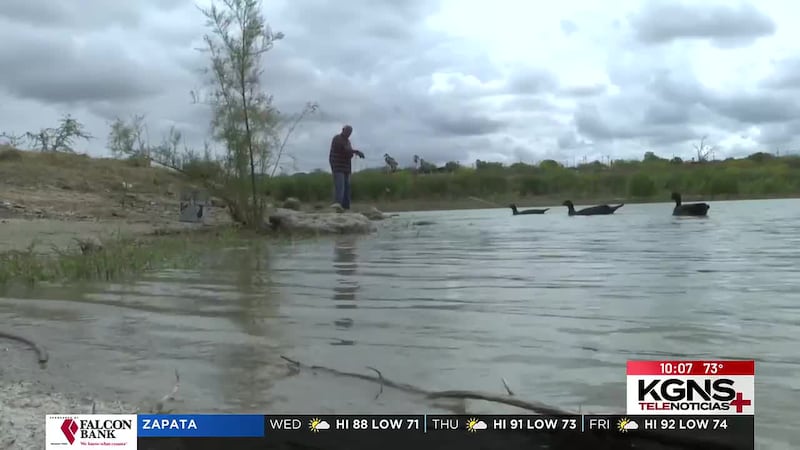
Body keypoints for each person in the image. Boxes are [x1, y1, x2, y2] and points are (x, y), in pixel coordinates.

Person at [329, 125, 364, 210]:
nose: (349, 133)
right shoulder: (337, 138)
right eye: (347, 131)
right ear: (343, 130)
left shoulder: (348, 141)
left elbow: (349, 153)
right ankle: (337, 207)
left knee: (347, 188)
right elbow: (344, 150)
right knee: (340, 187)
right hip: (338, 167)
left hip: (346, 168)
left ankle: (346, 208)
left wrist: (353, 153)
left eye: (350, 132)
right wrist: (356, 152)